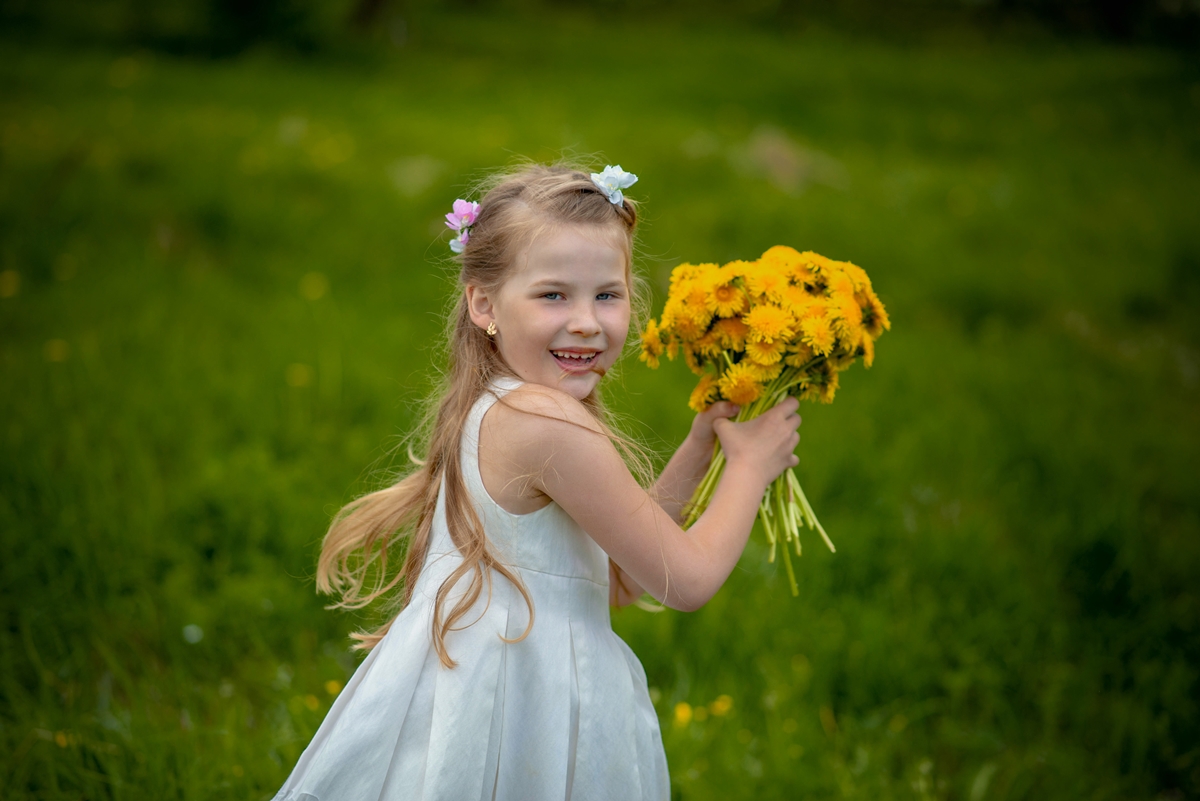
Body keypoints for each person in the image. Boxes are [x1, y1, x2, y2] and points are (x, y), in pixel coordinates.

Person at [272, 163, 802, 801]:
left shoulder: (502, 404)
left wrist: (698, 447)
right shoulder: (543, 425)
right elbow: (682, 581)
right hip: (529, 700)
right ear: (483, 304)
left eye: (608, 294)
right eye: (554, 295)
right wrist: (748, 468)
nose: (586, 321)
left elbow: (621, 578)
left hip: (497, 690)